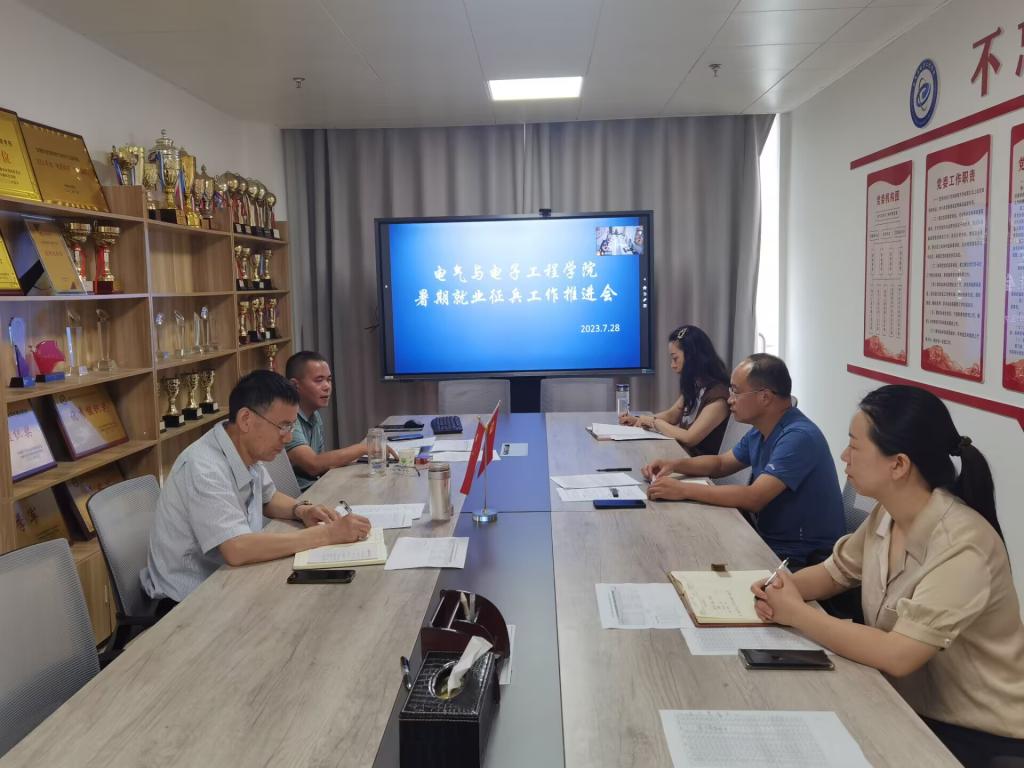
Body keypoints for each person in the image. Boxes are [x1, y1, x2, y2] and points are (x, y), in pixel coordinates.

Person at [751, 385, 1024, 767]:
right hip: (904, 701)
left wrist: (795, 612)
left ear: (898, 465)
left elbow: (897, 655)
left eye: (854, 446)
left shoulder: (964, 545)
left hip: (976, 734)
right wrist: (783, 587)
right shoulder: (888, 514)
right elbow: (835, 572)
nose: (844, 456)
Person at [141, 370, 371, 608]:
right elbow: (237, 549)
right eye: (283, 426)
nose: (287, 438)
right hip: (188, 602)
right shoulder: (204, 467)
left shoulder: (241, 446)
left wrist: (301, 510)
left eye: (291, 426)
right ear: (246, 420)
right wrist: (327, 535)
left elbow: (268, 498)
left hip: (231, 580)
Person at [642, 353, 843, 567]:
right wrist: (675, 465)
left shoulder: (798, 437)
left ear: (765, 397)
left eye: (736, 392)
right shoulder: (762, 429)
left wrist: (683, 490)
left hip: (800, 557)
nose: (730, 399)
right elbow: (721, 464)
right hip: (768, 539)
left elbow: (754, 497)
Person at [619, 325, 730, 455]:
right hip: (682, 454)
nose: (672, 365)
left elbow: (690, 438)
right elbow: (672, 415)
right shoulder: (695, 385)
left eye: (675, 358)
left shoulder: (718, 397)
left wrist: (653, 422)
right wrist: (638, 420)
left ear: (692, 357)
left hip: (698, 462)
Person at [285, 351, 378, 491]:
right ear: (294, 385)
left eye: (329, 380)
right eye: (319, 380)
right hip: (300, 497)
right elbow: (314, 465)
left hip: (317, 488)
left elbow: (323, 466)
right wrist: (365, 448)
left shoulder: (314, 415)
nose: (327, 386)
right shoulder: (288, 418)